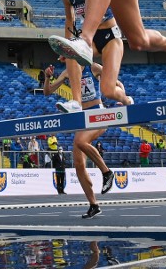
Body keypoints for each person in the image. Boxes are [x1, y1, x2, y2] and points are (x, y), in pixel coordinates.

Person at [51, 0, 131, 112]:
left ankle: (127, 100)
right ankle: (76, 102)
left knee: (108, 90)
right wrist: (67, 45)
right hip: (90, 39)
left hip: (110, 37)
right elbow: (69, 20)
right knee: (71, 53)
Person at [43, 57, 119, 219]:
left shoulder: (93, 68)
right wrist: (48, 78)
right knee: (78, 163)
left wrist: (123, 98)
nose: (60, 58)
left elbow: (116, 84)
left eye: (63, 55)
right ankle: (93, 205)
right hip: (83, 119)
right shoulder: (67, 72)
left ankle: (107, 173)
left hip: (98, 114)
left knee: (80, 142)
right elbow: (47, 92)